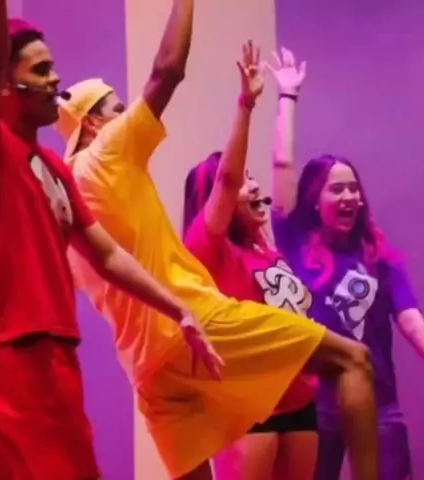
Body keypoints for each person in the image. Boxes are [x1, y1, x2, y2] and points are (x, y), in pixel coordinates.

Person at [56, 9, 380, 479]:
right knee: (355, 360)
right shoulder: (106, 154)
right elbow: (168, 70)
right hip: (192, 325)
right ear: (91, 124)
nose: (127, 116)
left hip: (148, 372)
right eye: (117, 110)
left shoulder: (63, 201)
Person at [0, 2, 222, 479]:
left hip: (49, 350)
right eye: (41, 70)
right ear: (5, 84)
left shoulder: (54, 167)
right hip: (15, 352)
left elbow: (107, 254)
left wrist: (178, 309)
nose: (56, 79)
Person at [268, 48, 424, 480]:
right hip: (316, 404)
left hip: (380, 405)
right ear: (314, 199)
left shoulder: (378, 257)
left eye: (354, 189)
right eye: (336, 190)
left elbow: (410, 318)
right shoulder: (294, 241)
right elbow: (282, 163)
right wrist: (287, 96)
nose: (349, 197)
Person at [182, 44, 319, 480]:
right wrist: (246, 103)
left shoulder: (267, 246)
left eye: (252, 177)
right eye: (245, 182)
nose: (254, 186)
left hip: (299, 399)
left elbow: (283, 164)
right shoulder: (208, 247)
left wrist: (288, 97)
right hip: (249, 405)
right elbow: (226, 179)